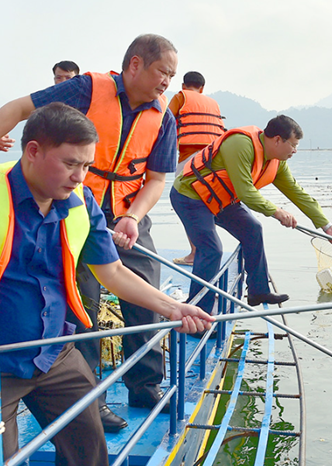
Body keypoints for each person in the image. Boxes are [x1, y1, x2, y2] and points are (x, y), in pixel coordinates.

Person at [0, 103, 213, 465]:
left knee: (89, 450)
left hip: (56, 351)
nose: (80, 177)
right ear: (32, 151)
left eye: (86, 166)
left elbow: (112, 272)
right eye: (70, 164)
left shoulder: (82, 201)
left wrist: (173, 307)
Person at [0, 33, 179, 432]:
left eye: (172, 75)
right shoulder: (85, 89)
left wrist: (133, 215)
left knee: (147, 285)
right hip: (72, 209)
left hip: (127, 212)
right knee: (83, 301)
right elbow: (18, 108)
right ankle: (89, 398)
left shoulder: (162, 117)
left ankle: (145, 384)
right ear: (135, 64)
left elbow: (155, 179)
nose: (167, 81)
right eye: (162, 72)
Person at [170, 115, 332, 314]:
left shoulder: (276, 162)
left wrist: (327, 226)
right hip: (191, 196)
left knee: (252, 229)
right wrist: (277, 212)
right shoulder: (240, 144)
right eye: (293, 145)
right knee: (211, 250)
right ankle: (197, 313)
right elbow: (246, 192)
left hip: (221, 199)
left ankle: (258, 292)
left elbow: (297, 193)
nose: (295, 151)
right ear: (278, 139)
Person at [167, 71, 225, 266]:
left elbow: (164, 121)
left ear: (184, 86)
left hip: (189, 159)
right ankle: (202, 249)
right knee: (202, 206)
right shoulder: (213, 103)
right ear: (202, 88)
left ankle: (194, 253)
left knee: (187, 205)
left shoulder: (180, 97)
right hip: (212, 160)